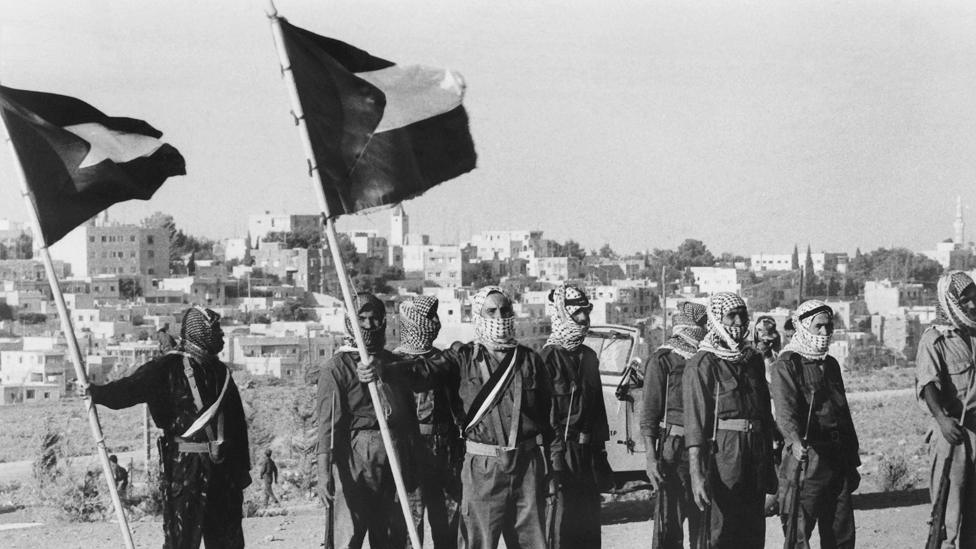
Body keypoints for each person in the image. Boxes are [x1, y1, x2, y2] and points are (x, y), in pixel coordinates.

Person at [376, 285, 561, 549]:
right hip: (483, 466)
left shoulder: (530, 360)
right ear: (479, 315)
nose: (499, 317)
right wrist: (383, 369)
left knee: (533, 542)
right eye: (491, 311)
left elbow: (549, 419)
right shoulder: (462, 358)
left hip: (527, 465)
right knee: (478, 542)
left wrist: (552, 467)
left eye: (505, 310)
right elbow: (422, 371)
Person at [89, 307, 251, 549]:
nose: (222, 336)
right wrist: (94, 392)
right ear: (200, 332)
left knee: (227, 542)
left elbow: (237, 425)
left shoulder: (221, 372)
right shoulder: (166, 368)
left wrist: (241, 472)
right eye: (215, 329)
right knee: (181, 542)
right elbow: (126, 391)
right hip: (184, 471)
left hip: (223, 471)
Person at [315, 292, 422, 549]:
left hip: (394, 453)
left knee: (391, 534)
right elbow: (327, 426)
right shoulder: (336, 368)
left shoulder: (393, 363)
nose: (368, 325)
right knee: (348, 533)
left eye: (375, 318)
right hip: (354, 456)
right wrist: (322, 472)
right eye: (361, 318)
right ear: (350, 322)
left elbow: (409, 415)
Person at [682, 292, 776, 549]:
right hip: (723, 454)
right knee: (721, 530)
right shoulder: (702, 363)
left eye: (742, 315)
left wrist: (771, 468)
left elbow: (765, 415)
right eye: (731, 315)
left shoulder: (752, 359)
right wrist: (696, 473)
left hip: (755, 451)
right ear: (715, 319)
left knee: (753, 529)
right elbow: (695, 424)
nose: (738, 321)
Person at [771, 300, 860, 548]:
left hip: (837, 457)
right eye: (818, 326)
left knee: (841, 533)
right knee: (799, 533)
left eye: (828, 327)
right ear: (803, 327)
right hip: (807, 459)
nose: (824, 332)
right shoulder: (787, 363)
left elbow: (843, 413)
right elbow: (785, 411)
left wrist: (852, 461)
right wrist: (796, 442)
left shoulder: (830, 364)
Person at [540, 284, 611, 549]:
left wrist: (602, 457)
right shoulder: (547, 359)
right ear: (561, 313)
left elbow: (598, 412)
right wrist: (554, 464)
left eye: (586, 311)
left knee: (589, 531)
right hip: (562, 454)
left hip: (588, 454)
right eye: (577, 312)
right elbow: (545, 421)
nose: (584, 318)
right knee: (561, 529)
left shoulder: (589, 357)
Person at [392, 295, 463, 549]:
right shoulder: (393, 362)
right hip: (411, 449)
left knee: (448, 518)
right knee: (412, 518)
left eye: (436, 316)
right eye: (428, 317)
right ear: (413, 321)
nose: (435, 322)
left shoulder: (444, 360)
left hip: (445, 446)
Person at [916, 271, 976, 549]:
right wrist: (941, 419)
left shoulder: (973, 334)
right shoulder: (933, 340)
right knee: (948, 514)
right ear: (951, 302)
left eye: (975, 299)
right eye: (966, 300)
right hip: (953, 434)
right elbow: (928, 384)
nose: (973, 305)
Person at [641, 301, 708, 549]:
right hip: (674, 449)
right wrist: (650, 458)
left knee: (705, 526)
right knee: (670, 526)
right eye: (702, 325)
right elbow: (649, 415)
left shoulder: (707, 360)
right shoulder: (663, 360)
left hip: (705, 448)